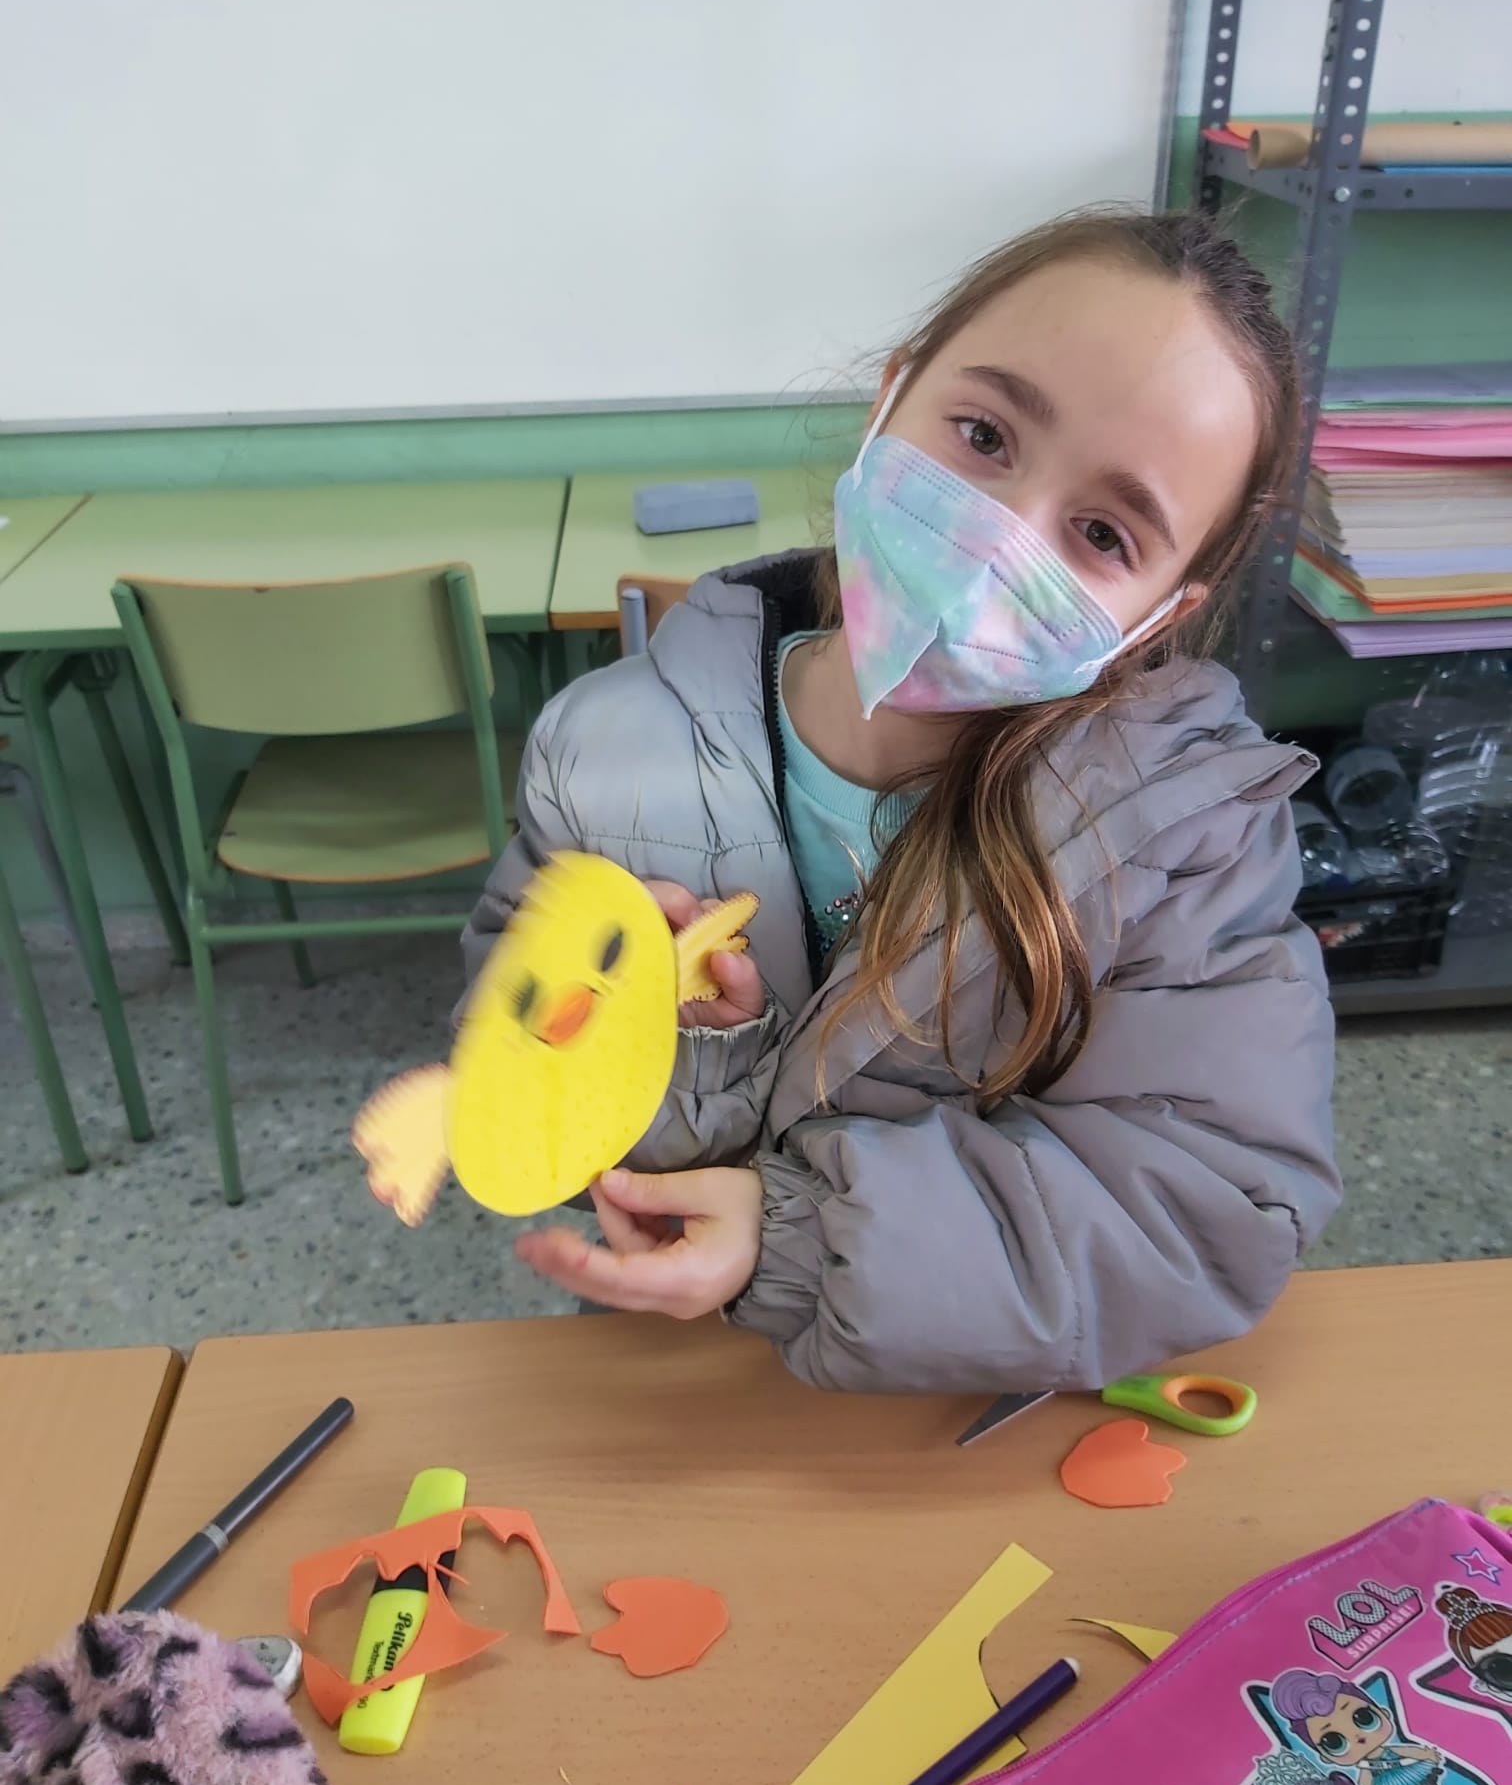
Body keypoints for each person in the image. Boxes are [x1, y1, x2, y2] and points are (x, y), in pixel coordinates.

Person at [464, 205, 1341, 1392]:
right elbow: (516, 1070)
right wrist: (681, 1057)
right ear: (891, 400)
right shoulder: (610, 752)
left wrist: (794, 1238)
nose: (993, 541)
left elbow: (1201, 1208)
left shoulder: (1188, 837)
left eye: (1100, 532)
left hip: (954, 1415)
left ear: (1160, 616)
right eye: (982, 436)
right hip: (667, 1383)